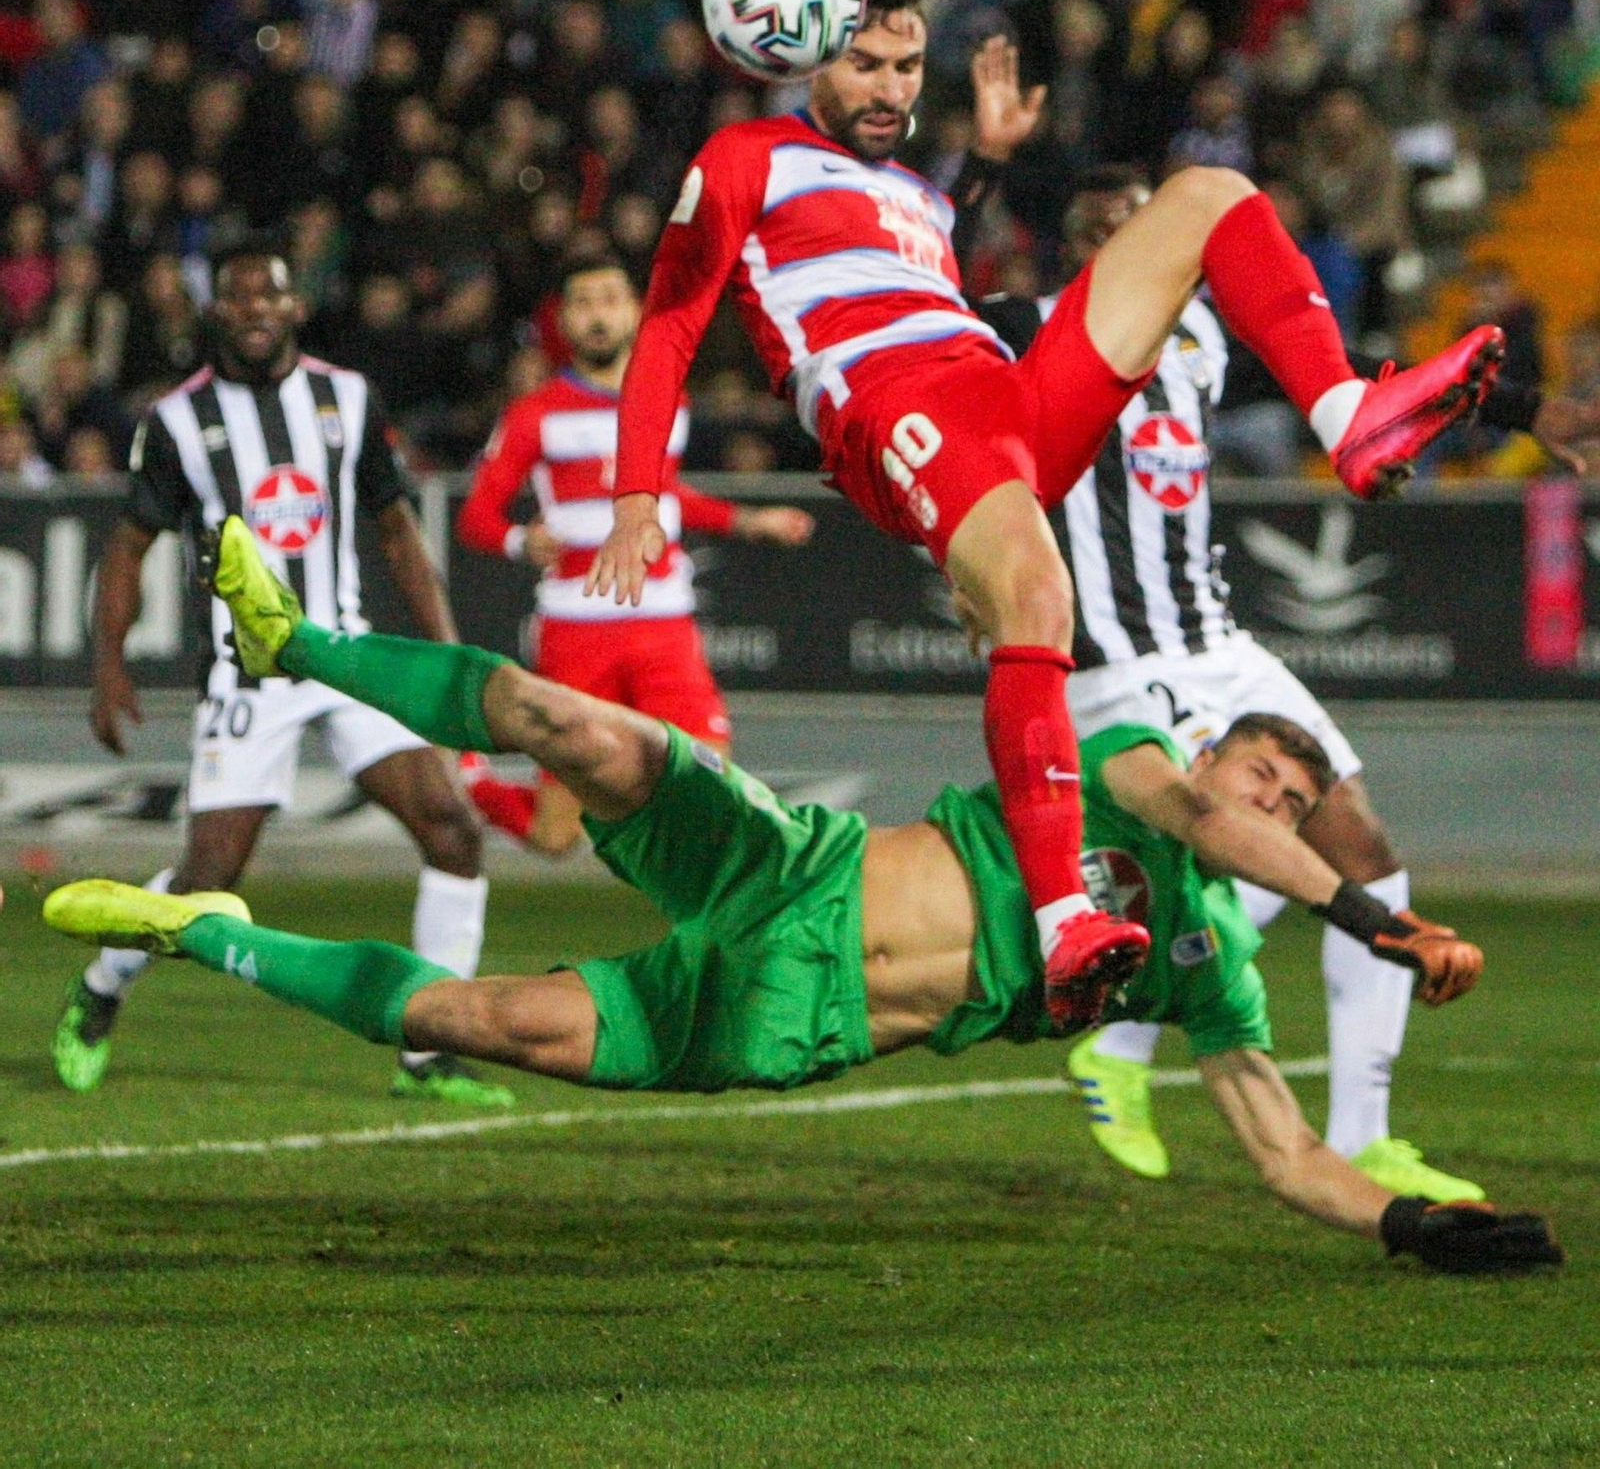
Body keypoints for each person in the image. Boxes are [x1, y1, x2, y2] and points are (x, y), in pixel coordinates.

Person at [45, 522, 1562, 1280]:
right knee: (555, 714)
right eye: (1262, 773)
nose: (1270, 804)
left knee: (472, 1013)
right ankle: (297, 635)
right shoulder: (1128, 766)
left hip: (790, 1013)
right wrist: (1378, 917)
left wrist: (1424, 1223)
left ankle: (199, 931)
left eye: (1299, 801)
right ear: (1215, 751)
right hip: (794, 865)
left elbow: (1289, 1153)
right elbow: (1218, 829)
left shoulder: (1198, 964)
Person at [586, 0, 1506, 1030]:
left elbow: (926, 230)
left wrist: (983, 158)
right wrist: (636, 490)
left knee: (1209, 196)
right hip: (896, 409)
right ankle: (1065, 915)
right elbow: (669, 322)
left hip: (1000, 398)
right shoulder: (747, 157)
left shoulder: (912, 192)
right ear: (799, 58)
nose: (891, 86)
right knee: (1037, 599)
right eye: (865, 64)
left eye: (906, 64)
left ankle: (1346, 412)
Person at [974, 163, 1600, 1198]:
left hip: (1215, 640)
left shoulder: (1207, 336)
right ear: (1082, 244)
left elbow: (1368, 376)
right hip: (1108, 655)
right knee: (1221, 842)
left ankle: (1361, 1133)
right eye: (1104, 227)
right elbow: (911, 307)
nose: (1136, 243)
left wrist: (1534, 412)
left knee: (1360, 841)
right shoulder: (1016, 325)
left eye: (1144, 224)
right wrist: (983, 167)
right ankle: (1119, 1045)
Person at [52, 242, 509, 1110]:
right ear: (216, 311)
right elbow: (127, 547)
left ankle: (429, 1051)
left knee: (452, 829)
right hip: (246, 674)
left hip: (343, 656)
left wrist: (445, 653)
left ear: (297, 308)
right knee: (209, 884)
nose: (256, 307)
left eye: (272, 294)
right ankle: (102, 990)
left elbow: (399, 529)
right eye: (238, 295)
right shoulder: (179, 421)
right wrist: (107, 667)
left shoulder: (346, 398)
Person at [454, 253, 813, 852]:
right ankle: (467, 774)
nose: (597, 316)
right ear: (564, 320)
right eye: (583, 302)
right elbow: (475, 517)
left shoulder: (667, 399)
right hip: (578, 631)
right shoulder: (534, 415)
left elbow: (662, 496)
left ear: (635, 311)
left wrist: (749, 520)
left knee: (713, 798)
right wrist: (522, 540)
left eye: (610, 300)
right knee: (556, 836)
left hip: (662, 627)